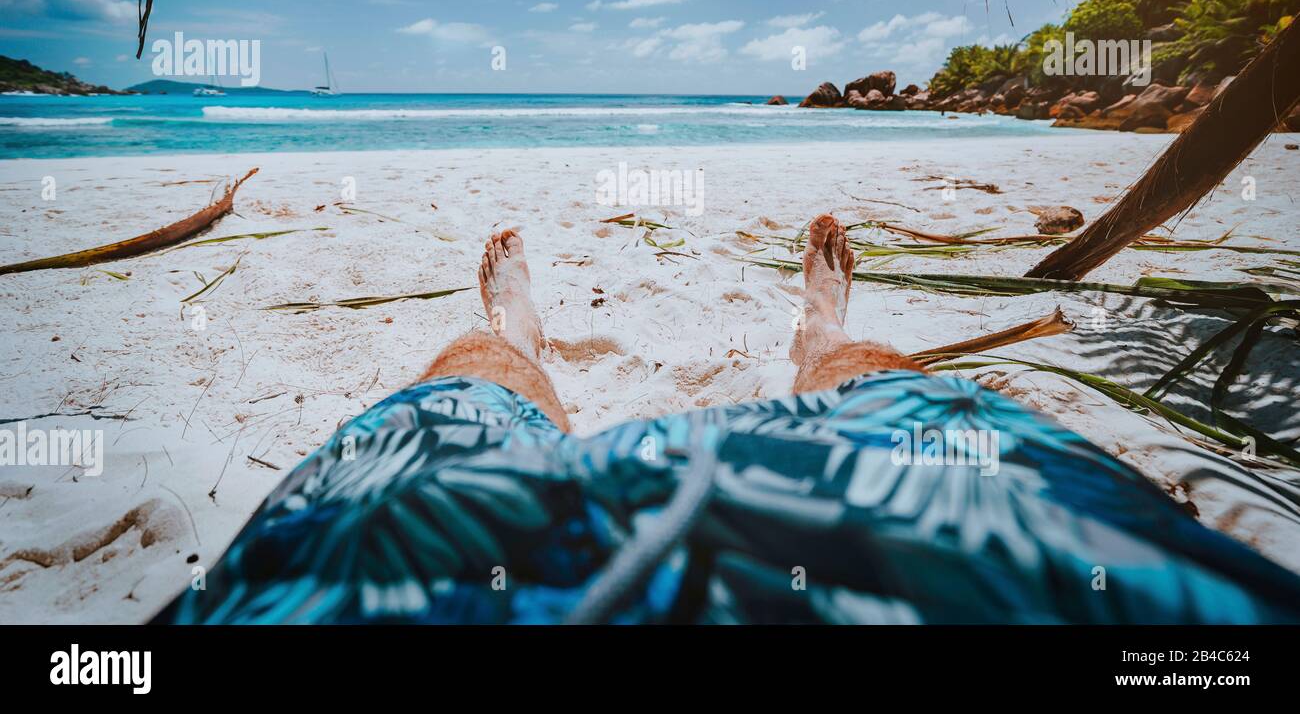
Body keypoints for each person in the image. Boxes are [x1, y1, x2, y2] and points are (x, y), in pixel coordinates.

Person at [156, 215, 1300, 624]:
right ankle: (824, 344)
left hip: (396, 565)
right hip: (971, 542)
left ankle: (514, 341)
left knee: (453, 409)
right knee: (917, 409)